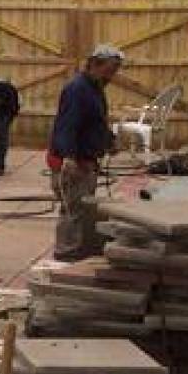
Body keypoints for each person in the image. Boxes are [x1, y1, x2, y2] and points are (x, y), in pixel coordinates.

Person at [48, 44, 123, 261]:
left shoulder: (95, 88)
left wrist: (108, 141)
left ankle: (76, 248)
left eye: (114, 71)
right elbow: (67, 124)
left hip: (86, 159)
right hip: (72, 160)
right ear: (94, 65)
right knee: (73, 208)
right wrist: (68, 157)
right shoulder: (77, 89)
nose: (112, 76)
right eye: (109, 70)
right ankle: (66, 252)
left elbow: (95, 122)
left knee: (82, 208)